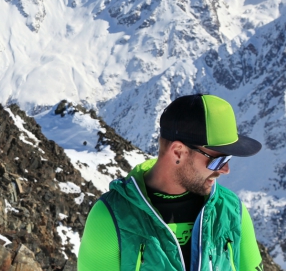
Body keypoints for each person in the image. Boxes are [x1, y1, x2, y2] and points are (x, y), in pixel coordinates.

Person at [78, 94, 264, 271]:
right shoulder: (111, 216)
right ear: (178, 152)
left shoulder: (232, 211)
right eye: (217, 160)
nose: (225, 169)